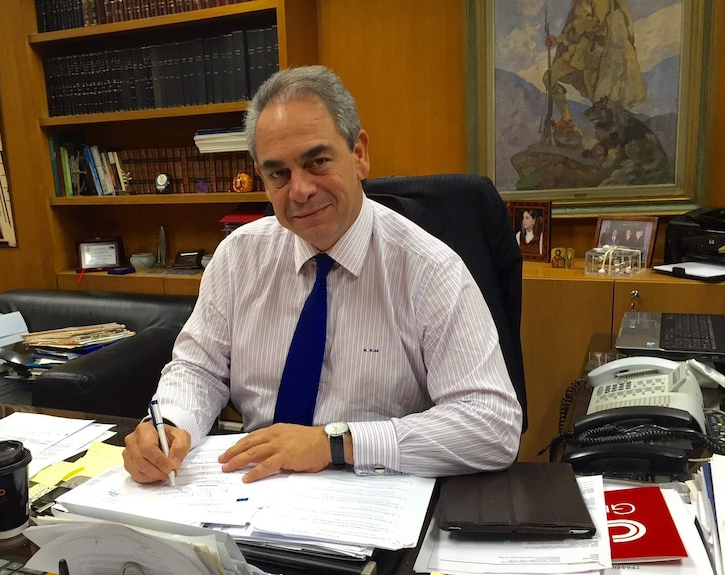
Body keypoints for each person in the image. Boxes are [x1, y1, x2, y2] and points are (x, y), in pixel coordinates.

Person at [123, 65, 522, 485]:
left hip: (373, 494)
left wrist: (336, 443)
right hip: (249, 491)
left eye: (317, 162)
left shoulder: (429, 269)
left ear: (359, 154)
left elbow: (492, 426)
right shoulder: (238, 257)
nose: (300, 190)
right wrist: (169, 424)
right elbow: (198, 369)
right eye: (279, 173)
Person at [542, 0, 646, 132]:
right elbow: (574, 29)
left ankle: (612, 135)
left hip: (595, 51)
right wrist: (557, 40)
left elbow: (597, 21)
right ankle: (567, 119)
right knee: (549, 78)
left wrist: (576, 25)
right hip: (578, 51)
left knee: (599, 98)